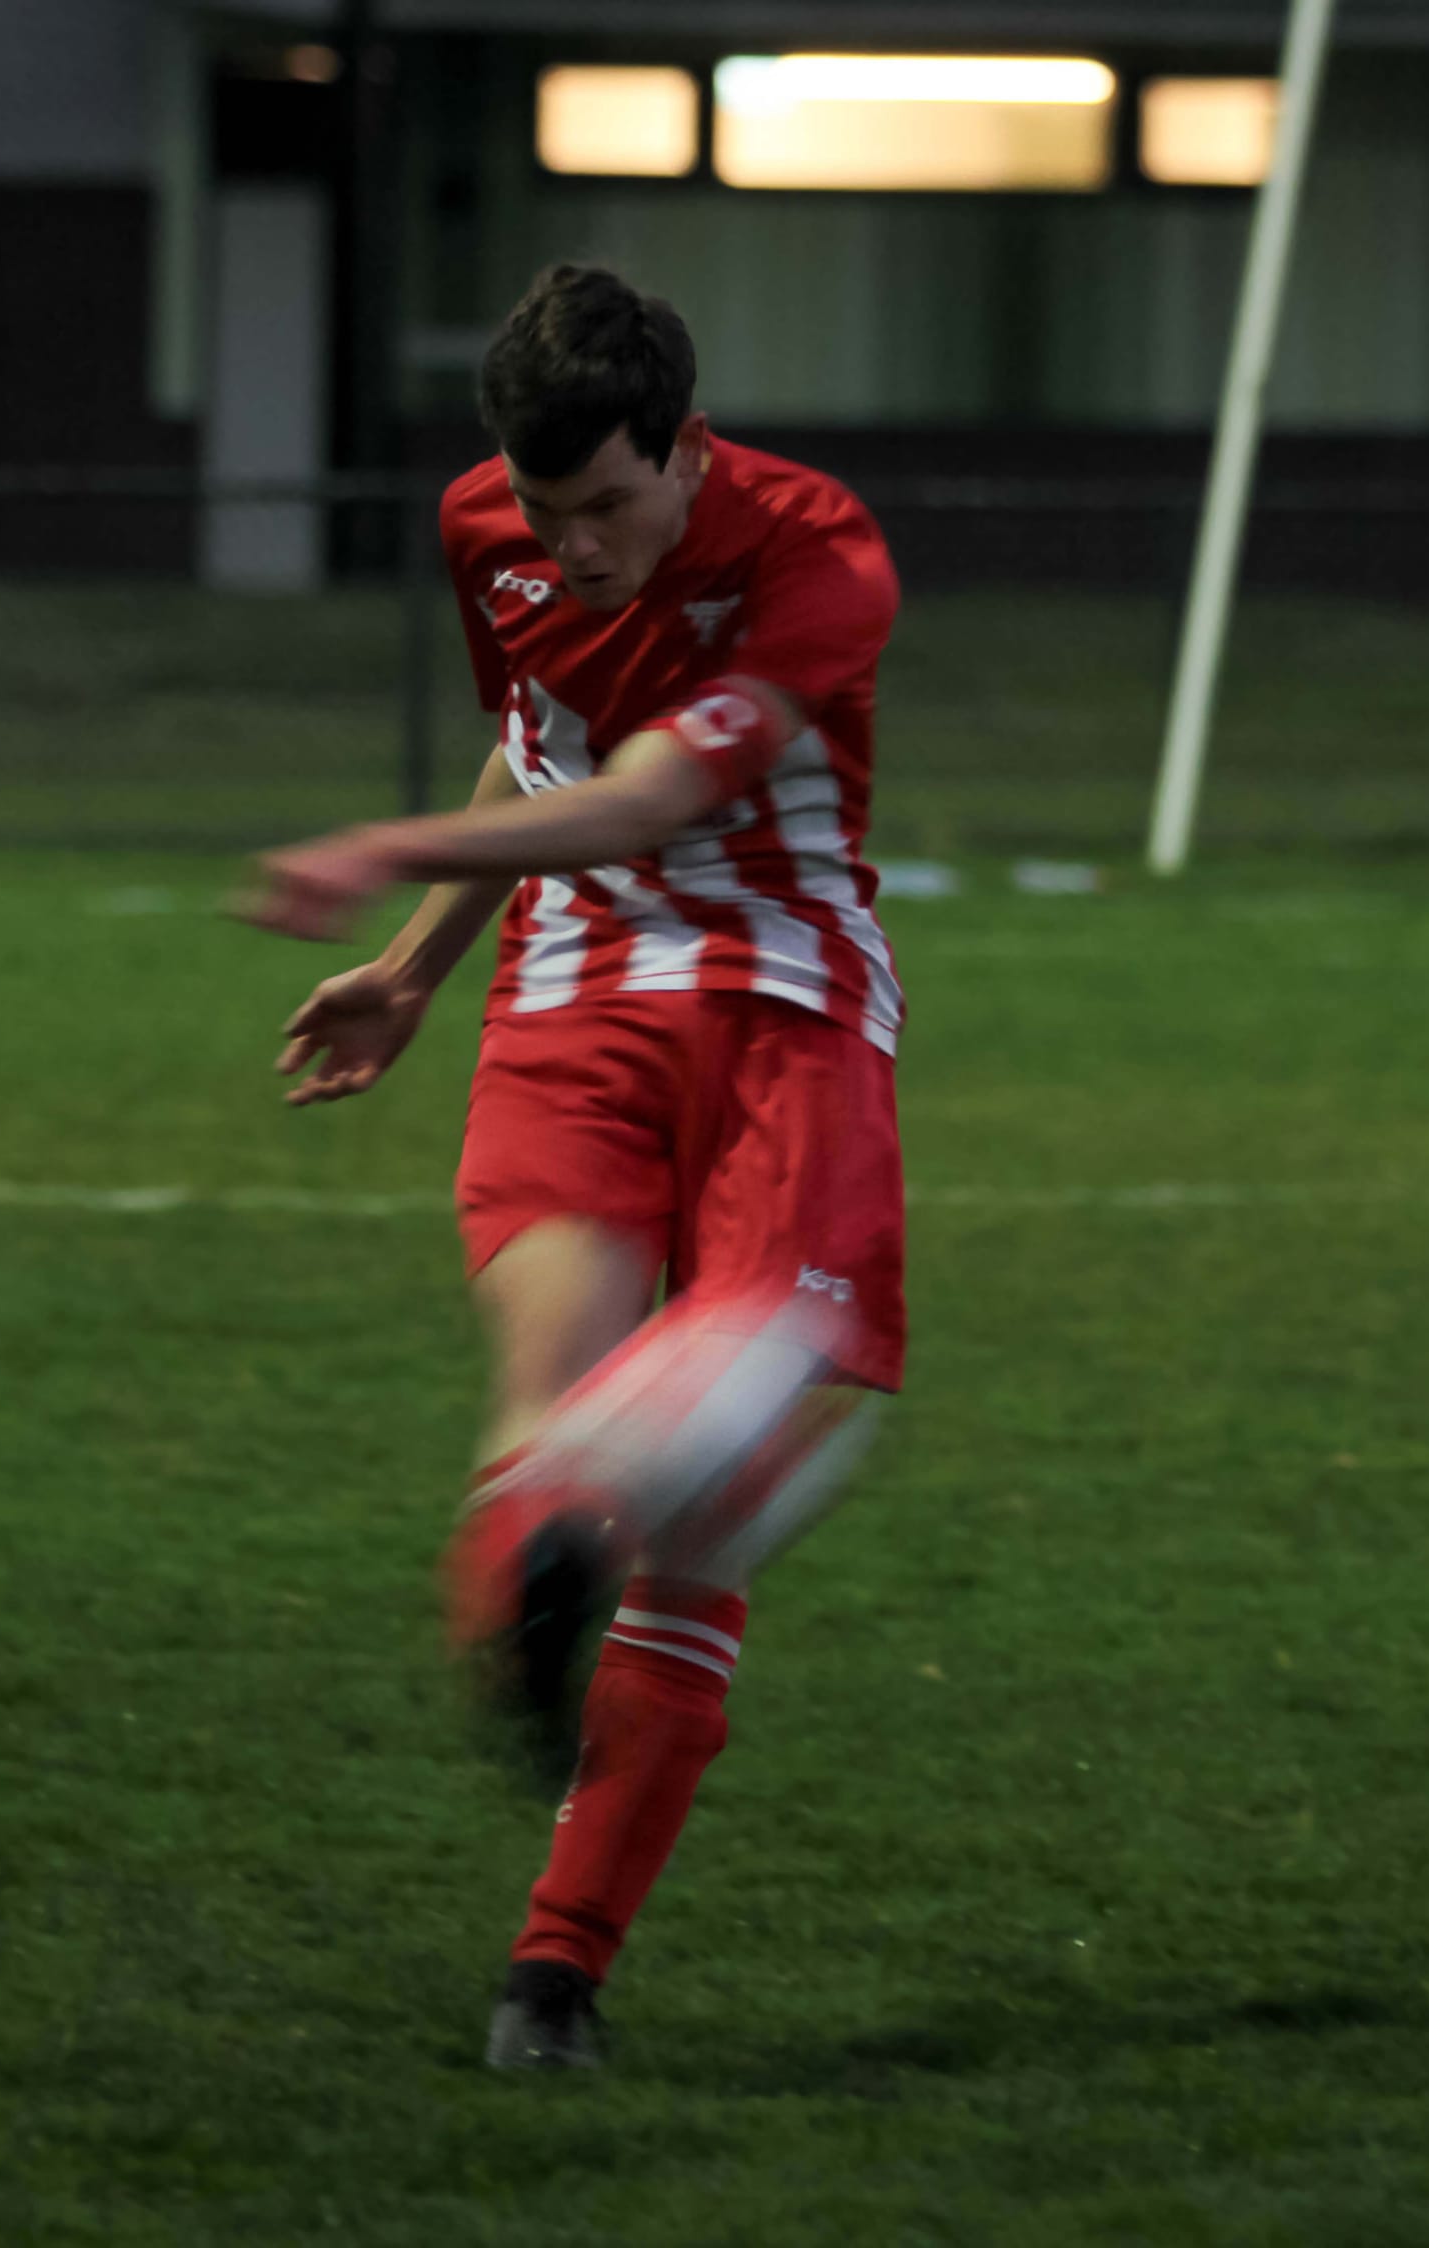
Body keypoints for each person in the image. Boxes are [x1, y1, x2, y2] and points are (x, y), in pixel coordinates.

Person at [235, 264, 908, 2071]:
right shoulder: (490, 527)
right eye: (547, 512)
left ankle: (550, 1919)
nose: (575, 545)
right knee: (668, 1473)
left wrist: (382, 849)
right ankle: (557, 1967)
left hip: (778, 1006)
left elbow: (653, 799)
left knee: (622, 1471)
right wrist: (414, 969)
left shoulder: (817, 552)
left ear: (689, 451)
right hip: (568, 1002)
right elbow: (538, 753)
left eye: (610, 504)